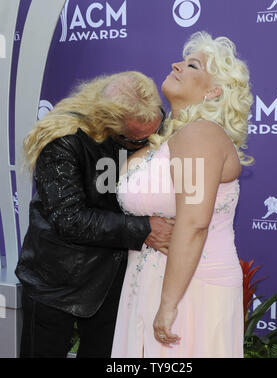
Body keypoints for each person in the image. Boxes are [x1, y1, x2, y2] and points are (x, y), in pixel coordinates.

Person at [111, 31, 254, 358]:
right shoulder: (162, 141)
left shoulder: (201, 133)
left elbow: (194, 223)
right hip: (147, 284)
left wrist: (168, 303)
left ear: (215, 90)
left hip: (190, 290)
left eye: (191, 65)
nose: (176, 65)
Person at [15, 71, 174, 358]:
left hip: (115, 278)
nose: (148, 143)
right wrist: (144, 229)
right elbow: (69, 219)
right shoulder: (62, 139)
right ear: (109, 124)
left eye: (156, 126)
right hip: (56, 280)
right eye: (136, 141)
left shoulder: (148, 123)